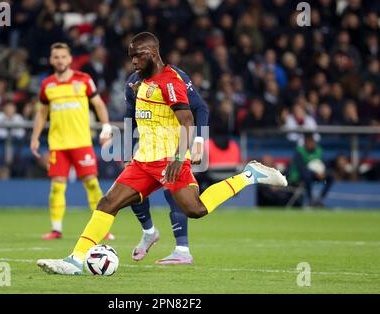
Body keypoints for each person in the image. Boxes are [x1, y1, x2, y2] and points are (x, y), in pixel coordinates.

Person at [36, 32, 287, 275]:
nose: (133, 61)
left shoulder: (171, 82)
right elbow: (133, 117)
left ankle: (249, 175)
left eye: (138, 56)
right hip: (144, 161)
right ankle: (76, 259)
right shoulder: (138, 81)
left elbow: (188, 120)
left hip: (170, 159)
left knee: (196, 209)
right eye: (131, 56)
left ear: (153, 53)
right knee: (107, 203)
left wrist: (181, 157)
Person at [125, 63, 209, 265]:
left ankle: (182, 249)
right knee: (131, 192)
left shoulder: (176, 77)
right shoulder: (132, 81)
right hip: (147, 147)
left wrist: (199, 141)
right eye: (134, 55)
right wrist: (127, 149)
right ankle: (149, 232)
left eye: (141, 54)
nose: (137, 60)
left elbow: (200, 107)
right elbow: (130, 114)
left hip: (174, 145)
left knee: (174, 193)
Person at [30, 42, 113, 240]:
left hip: (82, 142)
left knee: (92, 184)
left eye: (63, 56)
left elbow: (99, 104)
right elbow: (41, 113)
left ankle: (102, 228)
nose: (59, 60)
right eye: (56, 57)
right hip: (58, 144)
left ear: (69, 59)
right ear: (51, 60)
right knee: (57, 186)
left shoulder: (83, 80)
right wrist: (34, 137)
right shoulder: (47, 85)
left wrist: (106, 128)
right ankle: (56, 229)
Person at [288, 133, 334, 207]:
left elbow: (324, 163)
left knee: (330, 176)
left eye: (312, 142)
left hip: (317, 175)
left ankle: (320, 199)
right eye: (308, 142)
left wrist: (323, 172)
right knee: (307, 175)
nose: (310, 144)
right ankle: (310, 199)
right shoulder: (299, 152)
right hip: (300, 176)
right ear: (305, 143)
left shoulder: (319, 150)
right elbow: (301, 168)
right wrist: (315, 173)